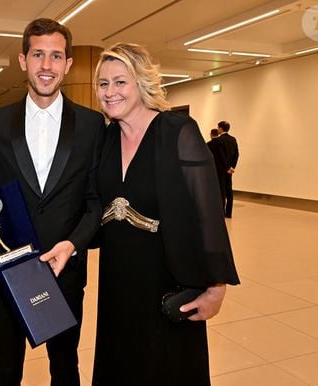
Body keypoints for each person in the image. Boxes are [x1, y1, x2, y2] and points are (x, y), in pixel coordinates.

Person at [92, 42, 240, 386]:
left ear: (142, 82)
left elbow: (208, 211)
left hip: (167, 278)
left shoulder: (177, 131)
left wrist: (216, 286)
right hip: (117, 279)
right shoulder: (107, 139)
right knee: (122, 362)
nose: (110, 92)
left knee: (166, 367)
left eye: (120, 82)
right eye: (103, 83)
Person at [0, 18, 105, 386]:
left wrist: (73, 244)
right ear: (23, 60)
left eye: (56, 56)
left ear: (68, 64)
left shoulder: (93, 124)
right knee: (5, 368)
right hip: (11, 271)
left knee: (65, 366)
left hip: (66, 267)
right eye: (38, 55)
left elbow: (96, 202)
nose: (46, 66)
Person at [217, 120, 239, 218]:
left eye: (218, 127)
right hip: (229, 170)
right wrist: (232, 167)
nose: (217, 129)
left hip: (221, 169)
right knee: (229, 191)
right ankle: (229, 213)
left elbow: (220, 156)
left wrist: (226, 167)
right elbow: (236, 154)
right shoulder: (233, 139)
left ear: (221, 128)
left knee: (222, 191)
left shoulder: (219, 140)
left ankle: (221, 212)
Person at [207, 128, 228, 205]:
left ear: (211, 134)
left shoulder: (208, 144)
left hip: (212, 170)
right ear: (218, 134)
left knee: (211, 188)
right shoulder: (222, 144)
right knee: (222, 189)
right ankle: (222, 206)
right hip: (221, 170)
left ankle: (212, 205)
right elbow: (223, 157)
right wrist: (227, 167)